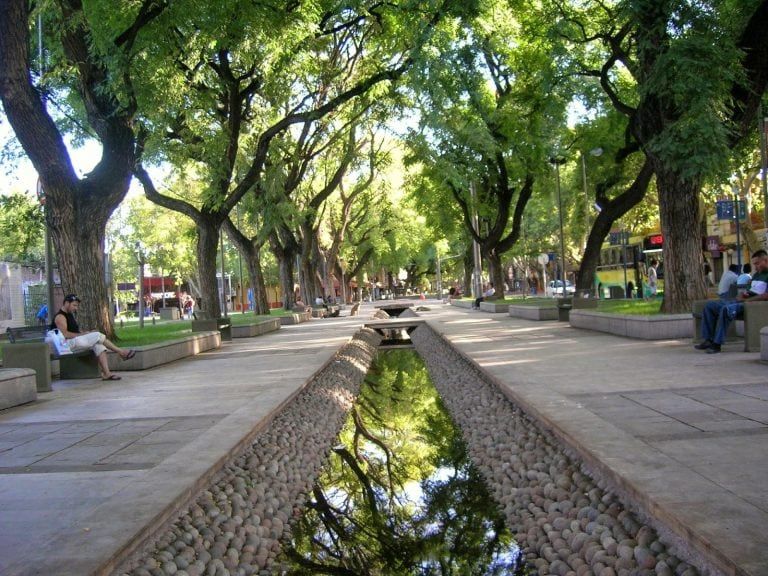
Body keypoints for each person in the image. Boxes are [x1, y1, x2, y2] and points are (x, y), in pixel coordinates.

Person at [696, 250, 768, 354]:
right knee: (710, 306)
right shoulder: (756, 275)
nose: (755, 267)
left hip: (754, 305)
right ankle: (708, 339)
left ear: (765, 260)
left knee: (726, 310)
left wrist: (746, 300)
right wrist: (742, 296)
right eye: (754, 264)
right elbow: (748, 290)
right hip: (743, 301)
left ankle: (717, 344)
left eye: (757, 264)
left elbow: (765, 296)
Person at [51, 294, 135, 380]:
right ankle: (121, 352)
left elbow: (75, 332)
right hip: (65, 345)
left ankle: (107, 374)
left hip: (74, 342)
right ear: (66, 303)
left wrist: (87, 333)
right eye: (74, 305)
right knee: (97, 335)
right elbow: (65, 335)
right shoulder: (60, 317)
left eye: (77, 306)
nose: (76, 308)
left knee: (99, 345)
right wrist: (85, 334)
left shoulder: (69, 314)